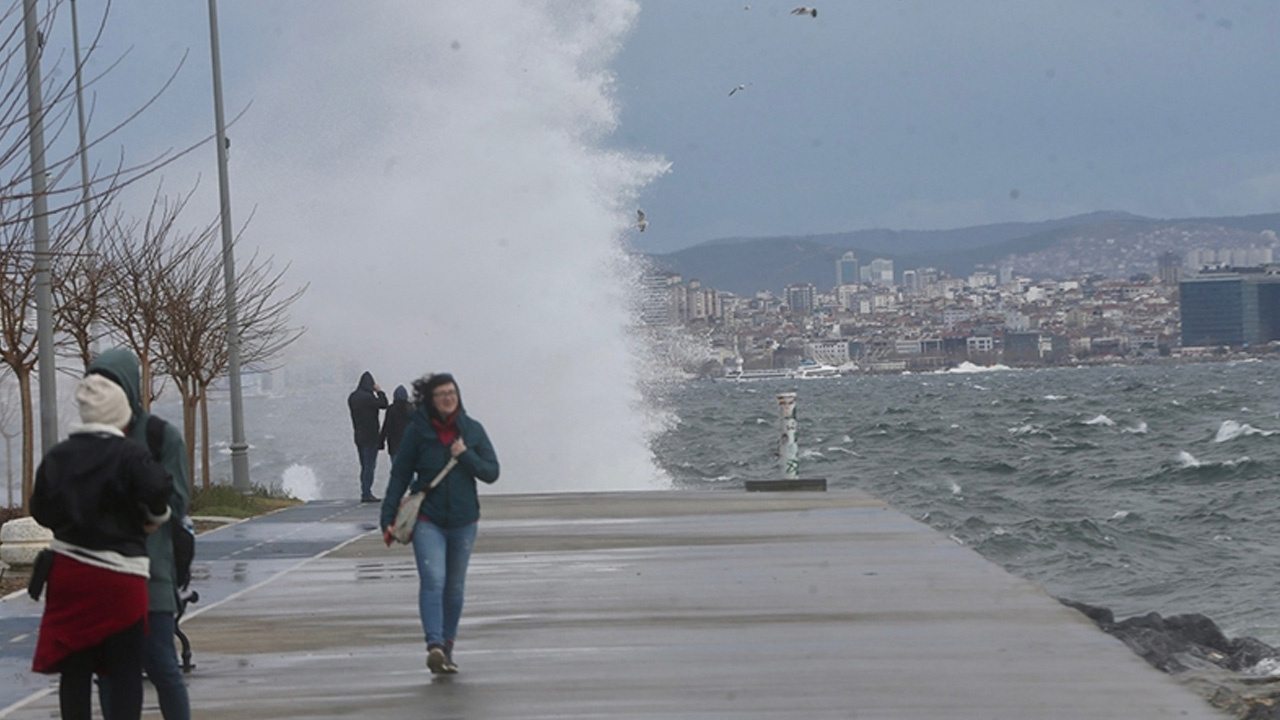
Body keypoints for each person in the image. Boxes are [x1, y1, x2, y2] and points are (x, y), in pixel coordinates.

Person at [30, 375, 174, 720]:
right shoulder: (131, 455)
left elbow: (40, 509)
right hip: (121, 579)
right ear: (120, 415)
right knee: (125, 672)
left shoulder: (58, 457)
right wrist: (154, 516)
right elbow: (159, 488)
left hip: (69, 575)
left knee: (74, 672)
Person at [90, 348, 193, 720]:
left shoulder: (160, 436)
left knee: (163, 668)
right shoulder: (90, 443)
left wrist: (132, 506)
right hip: (102, 577)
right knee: (108, 677)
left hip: (151, 576)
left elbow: (178, 502)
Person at [380, 373, 499, 674]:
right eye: (442, 394)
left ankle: (447, 648)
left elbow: (491, 472)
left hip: (464, 519)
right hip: (427, 518)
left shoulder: (472, 431)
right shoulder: (417, 432)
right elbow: (400, 475)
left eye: (452, 392)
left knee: (454, 587)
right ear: (431, 400)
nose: (448, 397)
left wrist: (466, 455)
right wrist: (387, 518)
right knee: (433, 579)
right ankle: (433, 644)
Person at [348, 371, 389, 502]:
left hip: (358, 435)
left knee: (364, 466)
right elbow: (384, 404)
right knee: (370, 466)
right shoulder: (369, 398)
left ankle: (364, 491)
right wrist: (379, 391)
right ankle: (366, 493)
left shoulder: (353, 397)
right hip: (371, 436)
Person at [380, 384, 411, 461]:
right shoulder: (412, 409)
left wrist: (381, 441)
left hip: (395, 445)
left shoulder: (392, 409)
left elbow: (386, 426)